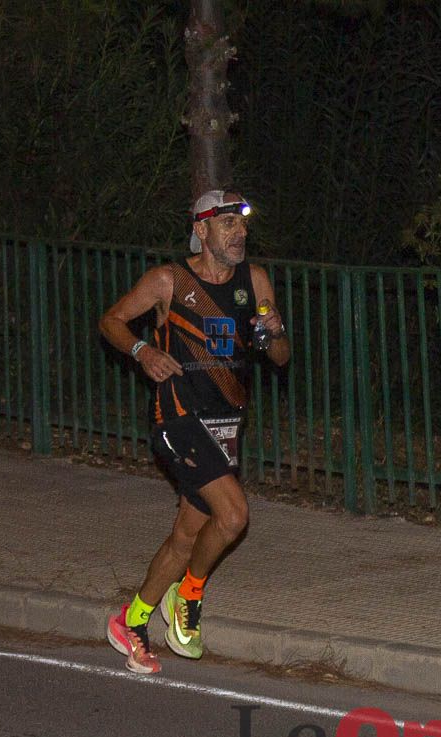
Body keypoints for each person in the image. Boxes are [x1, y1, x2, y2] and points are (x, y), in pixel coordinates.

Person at [99, 189, 290, 673]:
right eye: (227, 224)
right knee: (233, 516)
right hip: (178, 420)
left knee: (188, 536)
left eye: (241, 225)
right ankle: (189, 597)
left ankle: (133, 617)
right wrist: (143, 352)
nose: (239, 233)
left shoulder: (256, 281)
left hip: (225, 424)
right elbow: (112, 321)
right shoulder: (169, 280)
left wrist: (273, 332)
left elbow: (282, 357)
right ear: (201, 229)